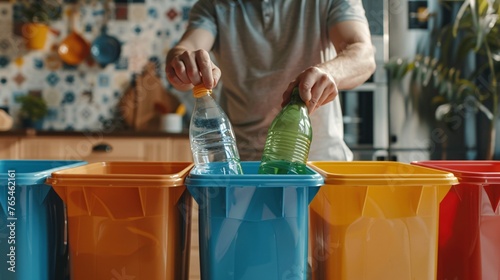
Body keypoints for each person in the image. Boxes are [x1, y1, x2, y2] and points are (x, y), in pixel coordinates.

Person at [165, 0, 376, 161]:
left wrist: (330, 73)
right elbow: (187, 47)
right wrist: (182, 63)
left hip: (318, 162)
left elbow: (363, 55)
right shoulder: (214, 5)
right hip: (241, 166)